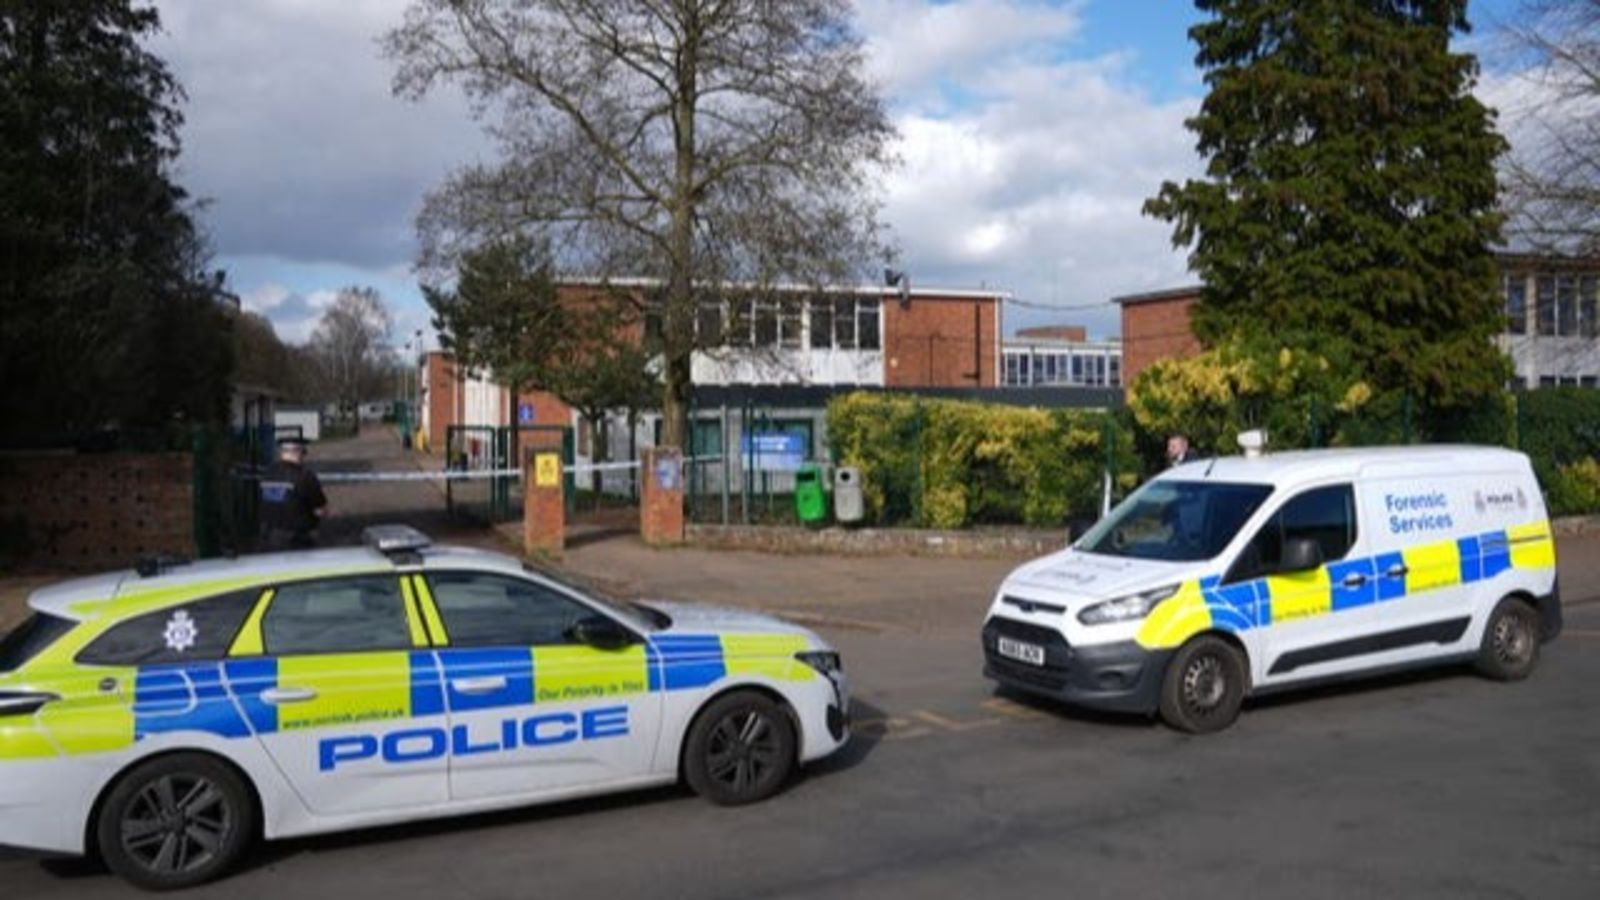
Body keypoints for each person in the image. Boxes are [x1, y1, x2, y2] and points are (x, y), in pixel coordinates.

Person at [259, 437, 328, 551]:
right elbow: (320, 509)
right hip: (298, 539)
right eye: (303, 453)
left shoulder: (267, 473)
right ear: (298, 452)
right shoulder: (305, 476)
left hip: (269, 538)